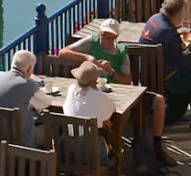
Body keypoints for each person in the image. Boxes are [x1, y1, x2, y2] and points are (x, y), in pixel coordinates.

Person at [59, 19, 177, 166]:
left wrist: (112, 72)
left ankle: (156, 144)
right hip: (95, 95)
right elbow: (63, 52)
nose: (104, 40)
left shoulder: (121, 52)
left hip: (114, 93)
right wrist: (87, 58)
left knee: (157, 100)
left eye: (108, 37)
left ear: (115, 39)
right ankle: (109, 151)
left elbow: (127, 82)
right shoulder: (91, 42)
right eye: (102, 35)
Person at [139, 0, 191, 132]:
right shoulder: (168, 33)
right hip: (163, 77)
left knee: (188, 74)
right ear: (178, 13)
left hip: (147, 72)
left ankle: (172, 114)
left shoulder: (154, 19)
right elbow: (185, 60)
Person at [0, 50, 51, 147]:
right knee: (50, 129)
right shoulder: (29, 85)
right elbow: (45, 104)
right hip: (19, 145)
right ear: (29, 69)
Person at [62, 61, 116, 166]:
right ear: (95, 82)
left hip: (66, 148)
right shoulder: (101, 97)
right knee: (108, 134)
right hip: (89, 152)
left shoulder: (71, 89)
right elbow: (112, 110)